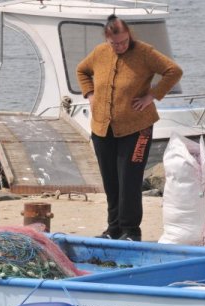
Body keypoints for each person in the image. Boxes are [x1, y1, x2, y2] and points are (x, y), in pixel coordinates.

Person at [76, 14, 182, 241]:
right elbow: (82, 71)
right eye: (115, 43)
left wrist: (152, 95)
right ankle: (113, 229)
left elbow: (174, 71)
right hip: (102, 129)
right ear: (107, 39)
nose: (120, 46)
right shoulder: (99, 53)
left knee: (129, 180)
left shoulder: (144, 52)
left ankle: (131, 231)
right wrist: (91, 94)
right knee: (110, 180)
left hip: (137, 128)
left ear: (129, 36)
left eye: (124, 42)